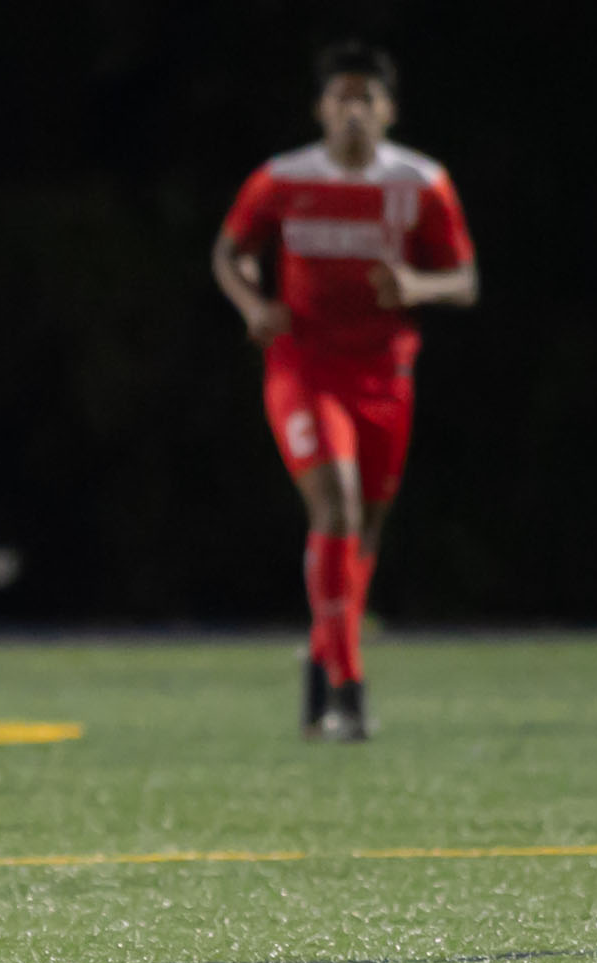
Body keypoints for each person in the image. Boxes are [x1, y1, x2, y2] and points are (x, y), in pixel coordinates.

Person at [212, 42, 477, 740]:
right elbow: (230, 250)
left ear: (388, 110)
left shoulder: (422, 183)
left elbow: (464, 278)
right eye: (341, 97)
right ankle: (350, 689)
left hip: (384, 375)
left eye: (367, 98)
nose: (353, 110)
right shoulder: (282, 179)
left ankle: (320, 659)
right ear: (321, 109)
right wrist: (253, 306)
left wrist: (419, 285)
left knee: (365, 533)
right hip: (304, 369)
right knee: (338, 506)